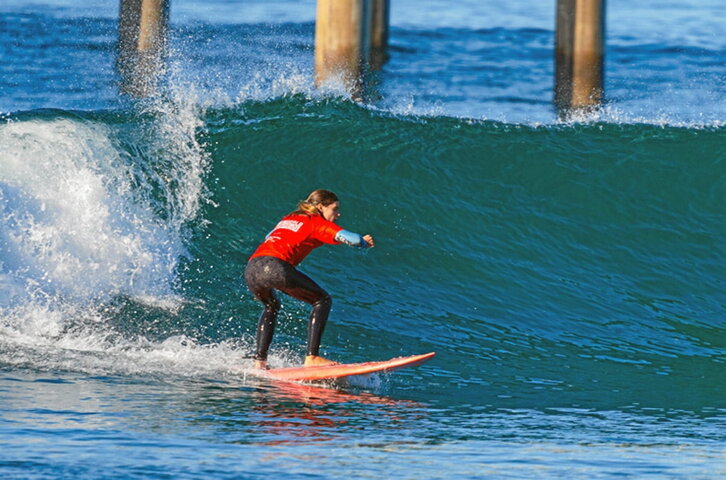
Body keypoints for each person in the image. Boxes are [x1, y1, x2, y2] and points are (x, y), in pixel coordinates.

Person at [245, 189, 374, 369]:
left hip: (252, 268)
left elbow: (269, 237)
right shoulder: (316, 222)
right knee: (322, 300)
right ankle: (312, 357)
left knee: (271, 306)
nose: (338, 214)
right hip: (274, 266)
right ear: (321, 207)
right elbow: (350, 239)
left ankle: (259, 361)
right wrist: (363, 241)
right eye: (334, 209)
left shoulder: (289, 218)